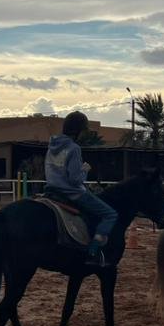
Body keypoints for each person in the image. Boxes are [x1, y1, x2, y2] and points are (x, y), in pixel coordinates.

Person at [45, 112, 117, 265]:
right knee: (110, 214)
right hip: (72, 194)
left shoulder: (52, 146)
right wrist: (85, 169)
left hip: (52, 190)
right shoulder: (74, 148)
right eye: (83, 130)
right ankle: (93, 251)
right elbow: (75, 179)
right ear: (77, 130)